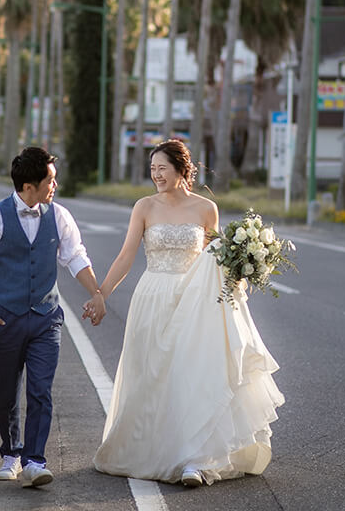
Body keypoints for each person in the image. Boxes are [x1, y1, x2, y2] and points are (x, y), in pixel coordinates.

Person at [84, 139, 284, 488]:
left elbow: (216, 260)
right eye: (152, 169)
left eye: (162, 168)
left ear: (181, 170)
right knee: (153, 375)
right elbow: (127, 256)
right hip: (153, 297)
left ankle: (195, 459)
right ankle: (155, 449)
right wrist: (101, 293)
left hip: (194, 301)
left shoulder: (206, 208)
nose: (156, 175)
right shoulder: (144, 207)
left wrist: (244, 267)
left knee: (191, 375)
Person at [0, 145, 106, 488]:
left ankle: (35, 460)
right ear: (29, 186)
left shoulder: (60, 216)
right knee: (7, 391)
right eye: (50, 180)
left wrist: (97, 294)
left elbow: (75, 258)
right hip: (5, 318)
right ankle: (11, 454)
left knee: (41, 390)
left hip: (46, 318)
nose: (54, 186)